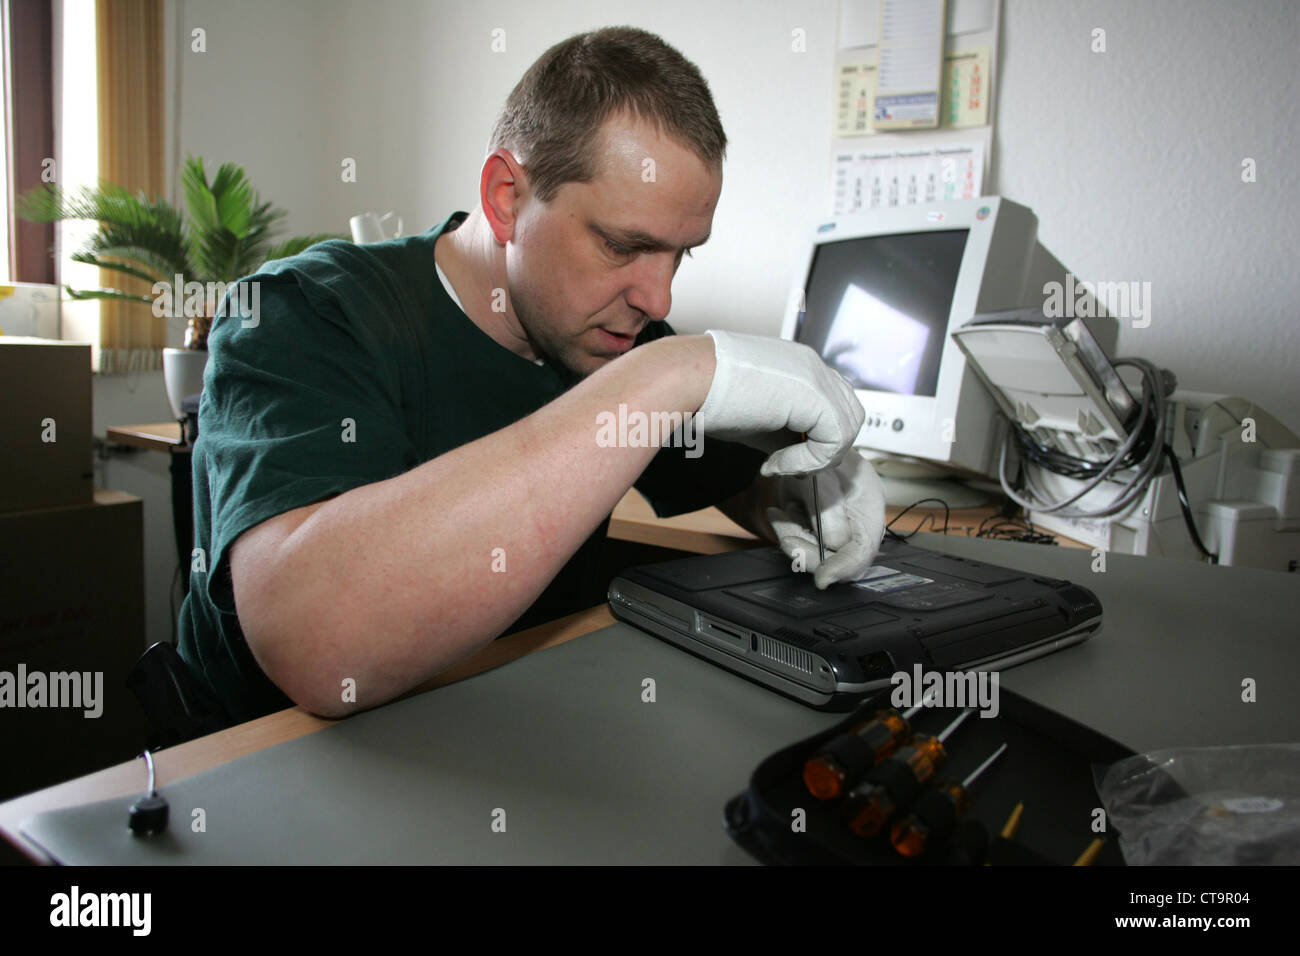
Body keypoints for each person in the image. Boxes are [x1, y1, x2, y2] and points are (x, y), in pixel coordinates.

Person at [176, 26, 885, 726]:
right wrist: (672, 371)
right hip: (258, 778)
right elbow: (318, 648)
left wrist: (806, 491)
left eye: (680, 256)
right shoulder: (306, 313)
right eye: (622, 245)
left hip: (503, 747)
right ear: (506, 197)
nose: (658, 299)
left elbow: (734, 476)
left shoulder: (607, 336)